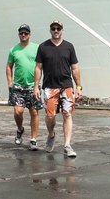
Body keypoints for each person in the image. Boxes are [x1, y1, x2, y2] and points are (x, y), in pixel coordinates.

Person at [34, 20, 82, 158]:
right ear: (50, 30)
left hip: (66, 86)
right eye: (53, 28)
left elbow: (75, 68)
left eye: (58, 28)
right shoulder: (43, 47)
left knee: (67, 114)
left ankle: (67, 145)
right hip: (50, 87)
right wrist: (36, 86)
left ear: (62, 30)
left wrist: (78, 86)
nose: (56, 31)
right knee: (50, 116)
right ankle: (51, 134)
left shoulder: (69, 47)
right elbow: (38, 67)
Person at [7, 23, 43, 150]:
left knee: (34, 112)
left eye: (26, 33)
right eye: (21, 33)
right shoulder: (13, 50)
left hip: (33, 86)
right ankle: (20, 128)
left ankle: (33, 139)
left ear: (30, 34)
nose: (23, 35)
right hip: (18, 86)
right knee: (18, 111)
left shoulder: (37, 48)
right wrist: (10, 82)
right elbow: (9, 66)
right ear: (19, 35)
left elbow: (41, 65)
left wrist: (37, 85)